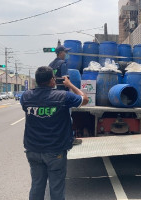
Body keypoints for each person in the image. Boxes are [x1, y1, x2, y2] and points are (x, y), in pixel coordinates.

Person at [20, 66, 89, 200]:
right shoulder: (63, 96)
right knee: (56, 188)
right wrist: (70, 85)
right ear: (52, 80)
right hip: (55, 151)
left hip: (33, 149)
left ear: (36, 80)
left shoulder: (26, 96)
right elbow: (85, 99)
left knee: (37, 186)